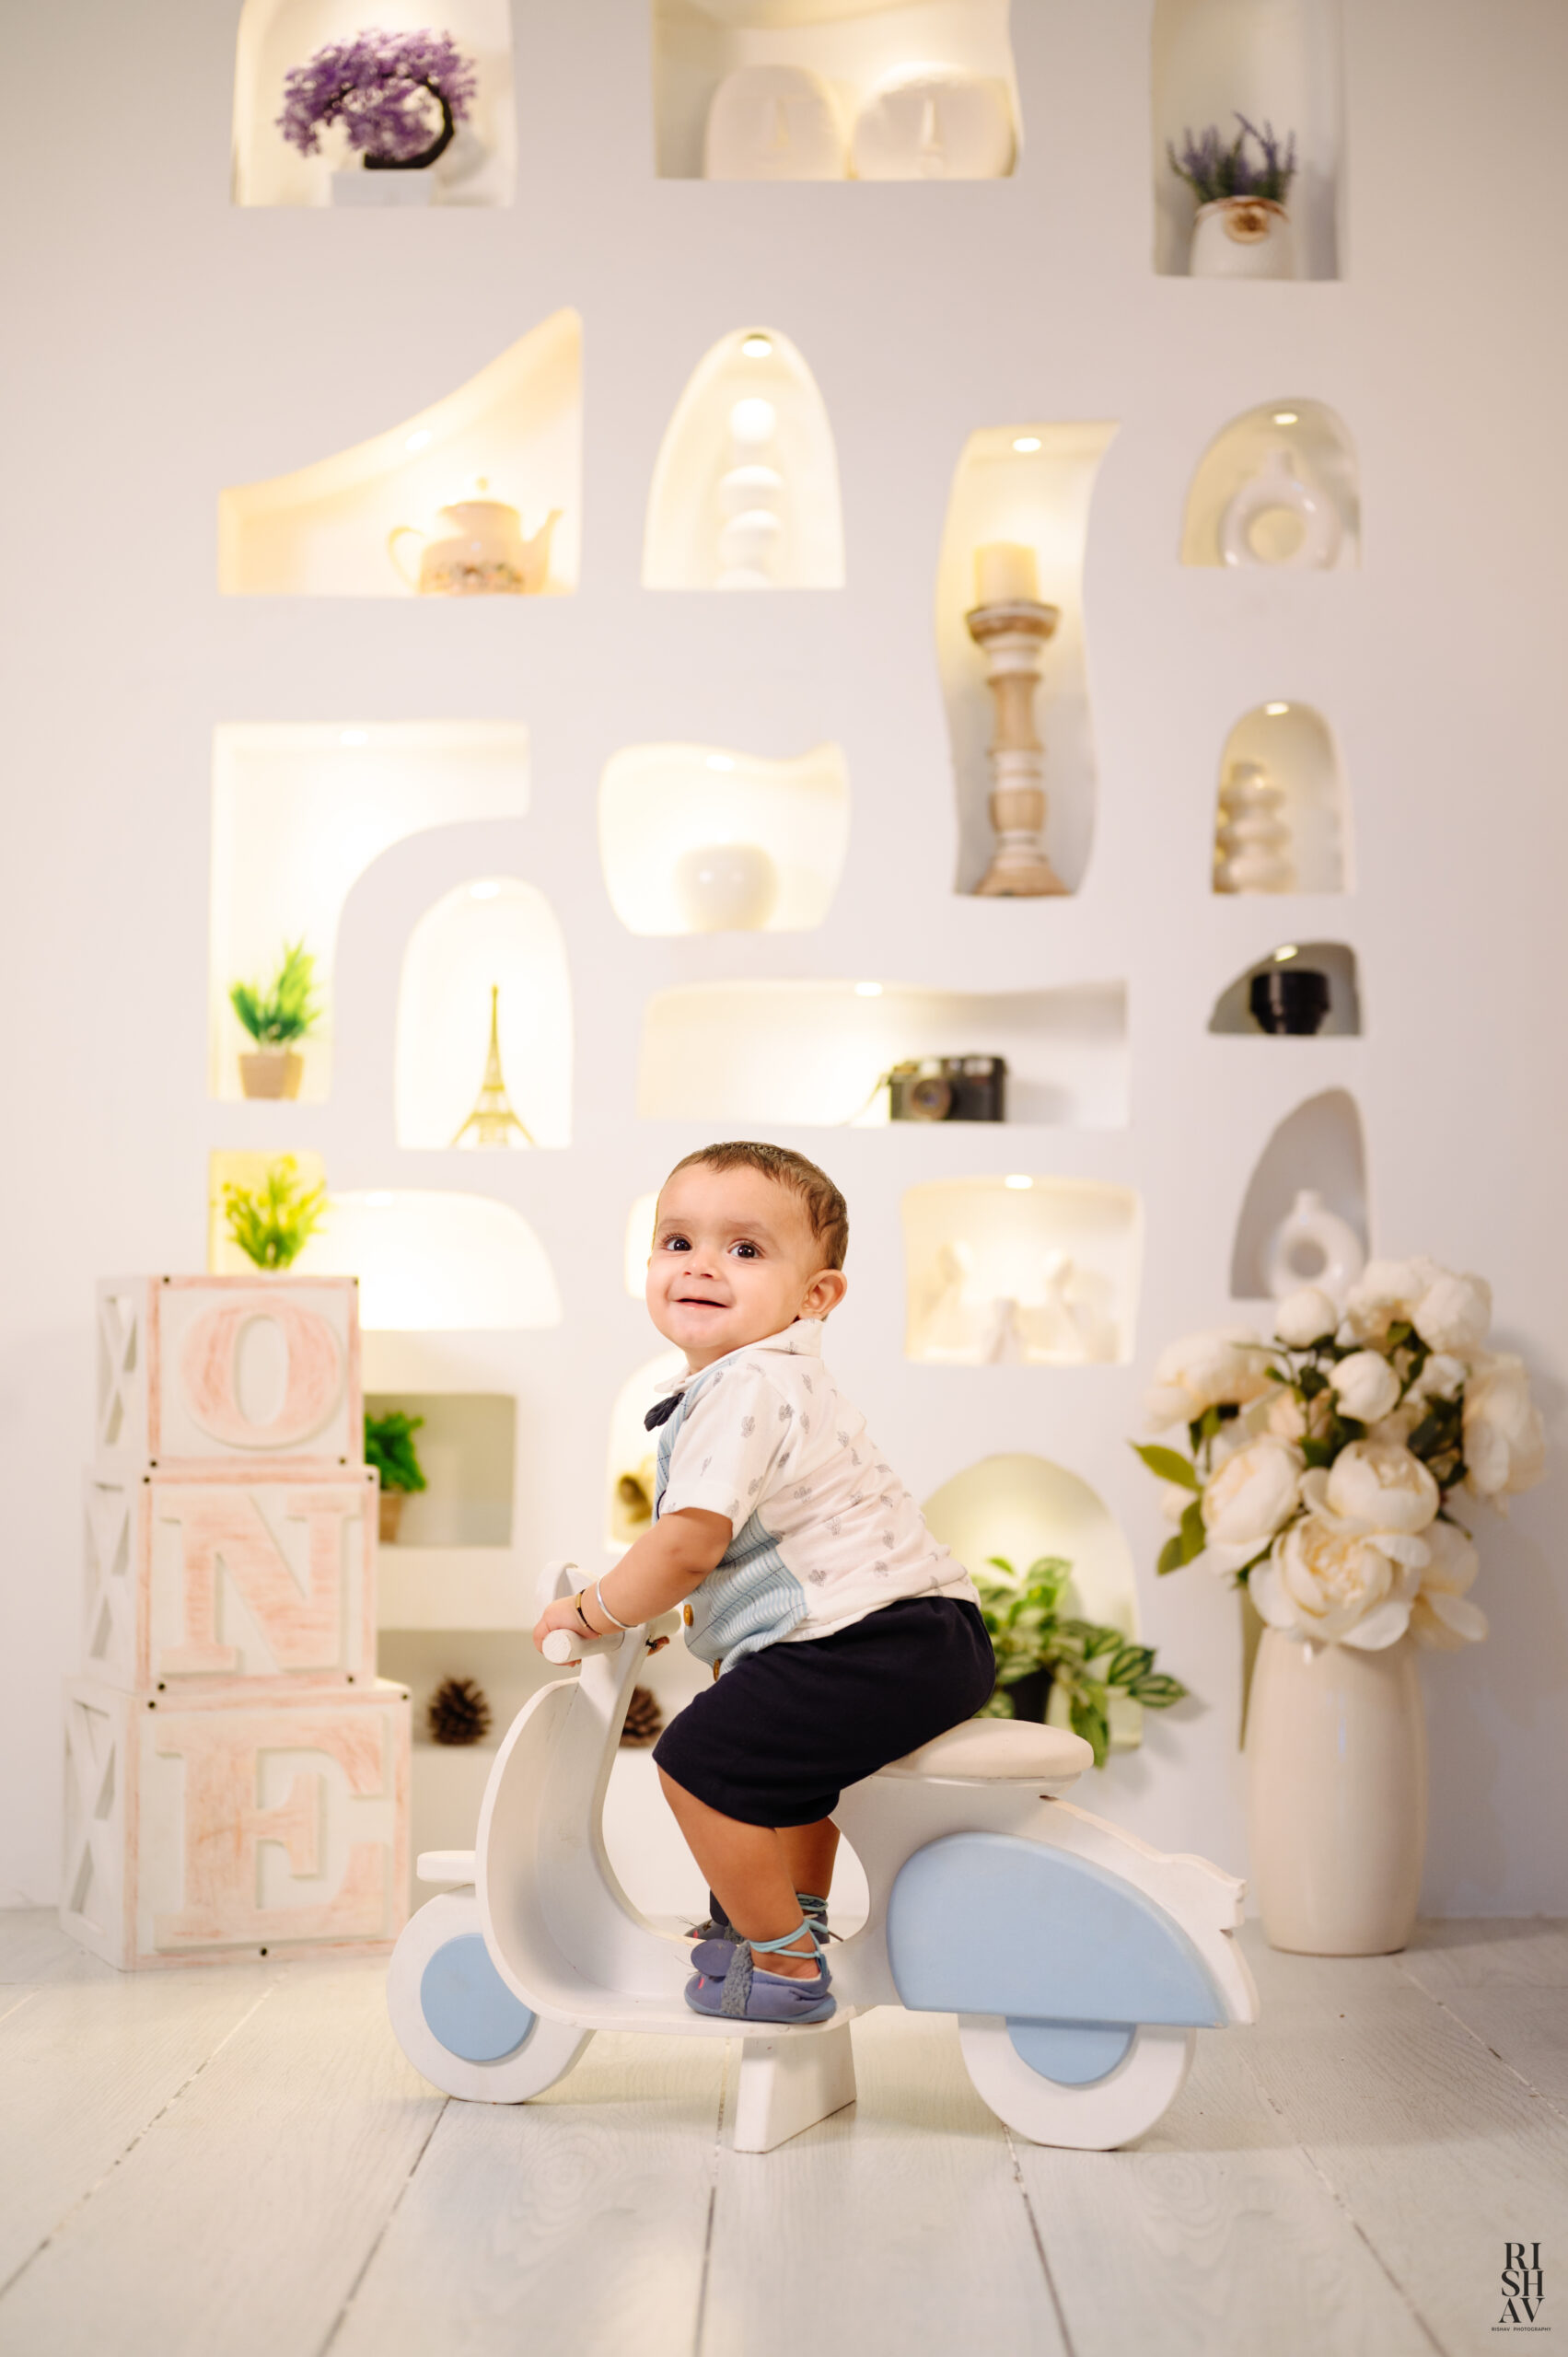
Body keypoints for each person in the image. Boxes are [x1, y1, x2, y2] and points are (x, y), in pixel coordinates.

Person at [532, 1140, 994, 2025]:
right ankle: (797, 1916)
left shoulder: (744, 1385)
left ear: (815, 1296)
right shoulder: (767, 1380)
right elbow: (737, 1556)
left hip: (874, 1640)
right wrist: (665, 1615)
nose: (702, 1265)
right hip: (921, 1636)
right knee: (778, 1769)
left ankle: (780, 1962)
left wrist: (595, 1610)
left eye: (744, 1249)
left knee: (697, 1764)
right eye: (677, 1242)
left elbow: (687, 1547)